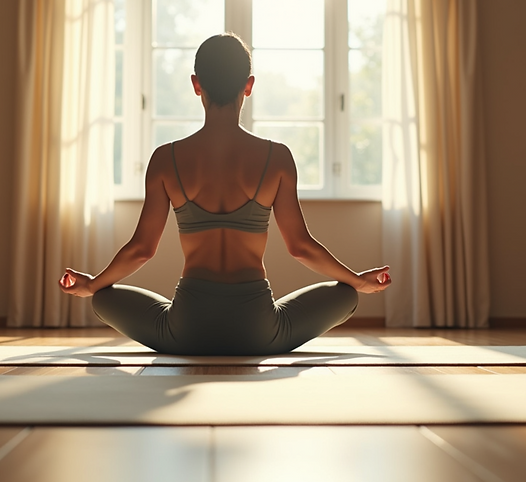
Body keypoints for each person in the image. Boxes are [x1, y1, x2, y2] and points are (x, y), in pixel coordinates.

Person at [59, 33, 391, 355]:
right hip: (260, 332)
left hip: (184, 331)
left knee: (103, 298)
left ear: (196, 84)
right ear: (248, 86)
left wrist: (92, 284)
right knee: (346, 295)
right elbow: (300, 248)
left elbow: (141, 250)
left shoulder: (165, 159)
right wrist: (357, 280)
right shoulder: (277, 157)